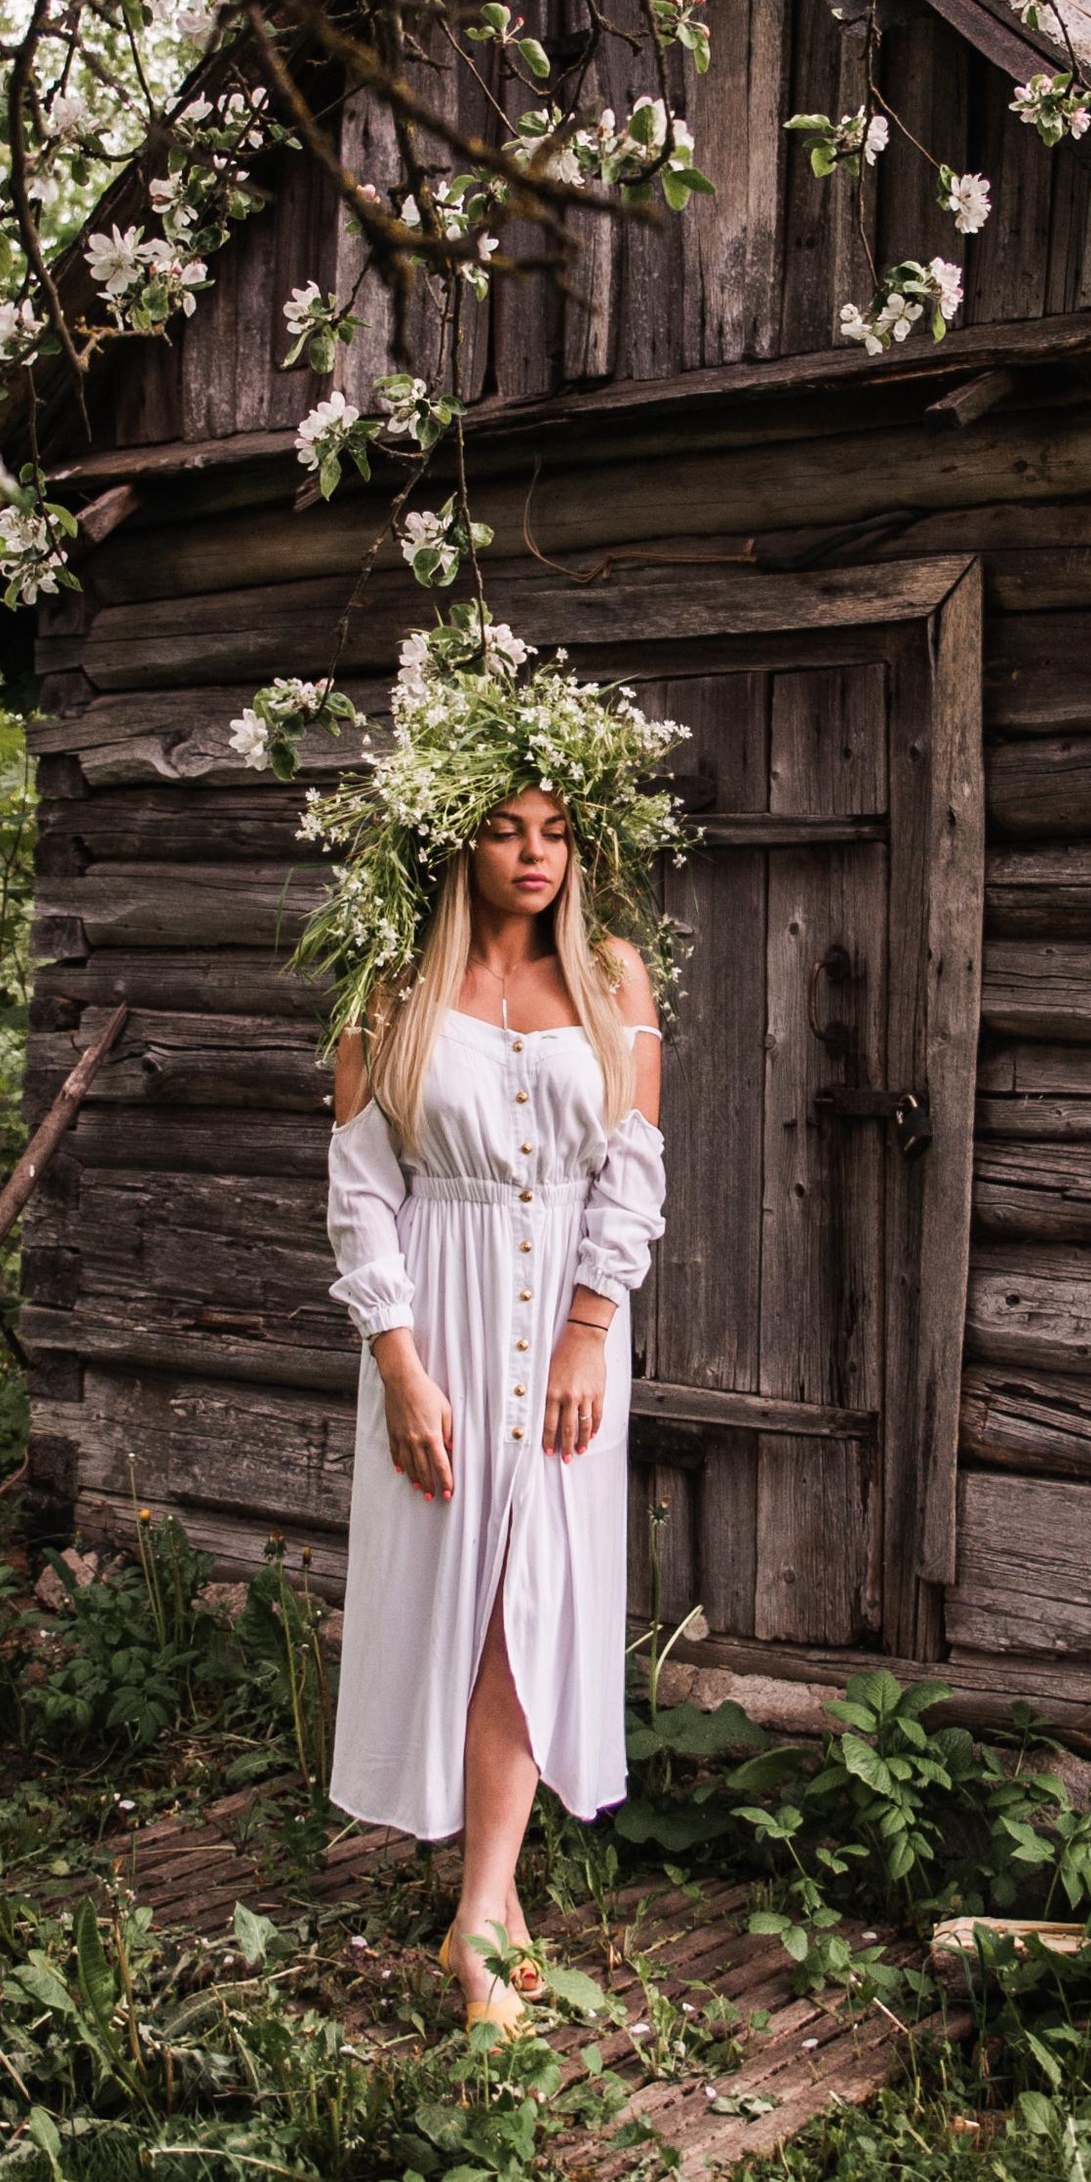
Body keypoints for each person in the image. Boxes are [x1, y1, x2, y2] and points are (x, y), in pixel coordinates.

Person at [295, 614, 683, 2037]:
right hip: (440, 1326)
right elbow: (359, 1194)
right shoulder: (388, 986)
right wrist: (398, 1365)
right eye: (508, 828)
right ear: (459, 842)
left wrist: (593, 1326)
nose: (535, 852)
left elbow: (631, 1170)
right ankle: (499, 1900)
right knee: (458, 1607)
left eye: (556, 829)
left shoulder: (617, 983)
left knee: (538, 1600)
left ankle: (477, 1913)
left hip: (571, 1338)